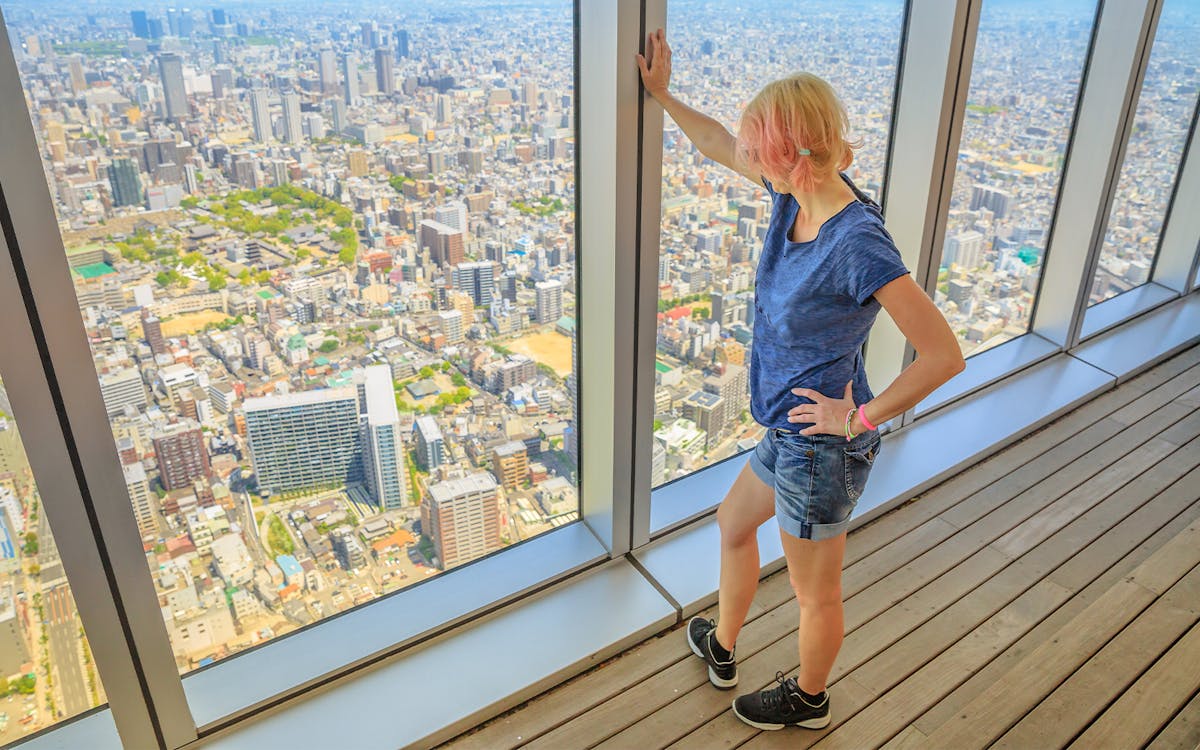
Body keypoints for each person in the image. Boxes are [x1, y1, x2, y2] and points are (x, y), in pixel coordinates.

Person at [637, 28, 966, 731]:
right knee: (732, 525)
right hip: (786, 431)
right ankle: (724, 647)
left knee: (817, 594)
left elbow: (943, 354)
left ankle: (810, 699)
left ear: (795, 156)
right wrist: (664, 96)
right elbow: (719, 143)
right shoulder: (796, 195)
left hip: (819, 447)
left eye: (762, 149)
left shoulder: (858, 244)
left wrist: (858, 419)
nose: (749, 158)